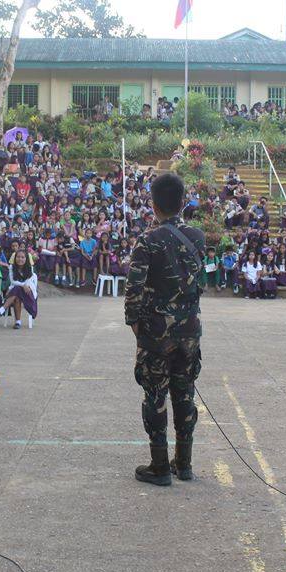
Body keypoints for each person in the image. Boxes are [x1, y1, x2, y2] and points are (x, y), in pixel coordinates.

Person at [125, 173, 205, 487]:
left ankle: (159, 467)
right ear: (182, 202)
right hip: (190, 332)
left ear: (153, 204)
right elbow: (199, 285)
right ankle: (184, 464)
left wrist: (138, 328)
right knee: (185, 393)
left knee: (155, 396)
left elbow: (134, 290)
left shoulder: (148, 240)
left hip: (156, 334)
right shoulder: (197, 237)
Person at [1, 249, 38, 329]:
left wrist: (23, 286)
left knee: (17, 289)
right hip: (16, 293)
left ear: (26, 259)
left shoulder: (30, 268)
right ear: (15, 258)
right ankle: (17, 322)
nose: (20, 259)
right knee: (17, 295)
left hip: (28, 292)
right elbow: (12, 281)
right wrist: (23, 285)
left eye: (22, 257)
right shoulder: (12, 267)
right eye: (18, 257)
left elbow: (28, 282)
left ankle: (3, 308)